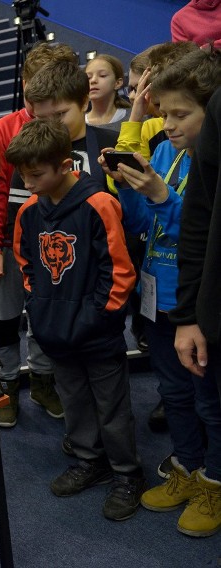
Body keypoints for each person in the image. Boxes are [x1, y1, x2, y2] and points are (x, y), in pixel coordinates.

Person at [99, 48, 221, 537]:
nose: (168, 125)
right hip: (158, 298)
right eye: (162, 113)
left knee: (209, 399)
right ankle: (188, 469)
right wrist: (130, 188)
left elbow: (200, 229)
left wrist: (161, 196)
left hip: (198, 305)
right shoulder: (167, 153)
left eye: (180, 114)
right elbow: (142, 224)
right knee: (173, 392)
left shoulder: (209, 163)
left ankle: (215, 480)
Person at [8, 118, 142, 521]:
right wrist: (40, 309)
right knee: (75, 403)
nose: (27, 183)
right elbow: (26, 265)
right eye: (23, 174)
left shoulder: (98, 204)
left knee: (112, 407)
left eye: (36, 174)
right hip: (55, 330)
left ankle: (126, 474)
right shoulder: (30, 212)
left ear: (65, 165)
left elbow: (119, 270)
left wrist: (99, 318)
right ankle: (90, 460)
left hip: (97, 331)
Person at [0, 42, 78, 428]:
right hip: (5, 242)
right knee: (4, 318)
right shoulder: (3, 130)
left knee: (45, 316)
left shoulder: (67, 128)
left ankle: (42, 379)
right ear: (26, 88)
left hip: (54, 246)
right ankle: (7, 383)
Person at [169, 75, 221, 540]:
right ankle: (209, 482)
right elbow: (196, 223)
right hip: (206, 306)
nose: (168, 125)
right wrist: (189, 314)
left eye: (178, 114)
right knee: (207, 404)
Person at [85, 55, 130, 131]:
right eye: (88, 77)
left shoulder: (134, 118)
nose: (93, 81)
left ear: (118, 83)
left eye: (102, 75)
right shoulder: (77, 123)